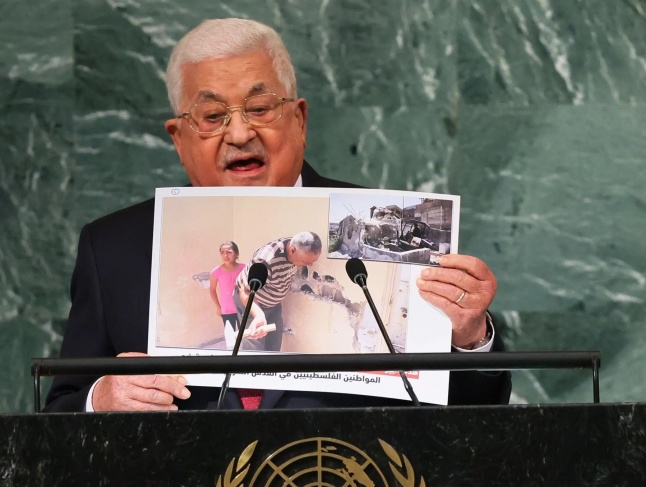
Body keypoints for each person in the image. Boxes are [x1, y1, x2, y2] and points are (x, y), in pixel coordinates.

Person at [44, 18, 511, 412]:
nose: (239, 133)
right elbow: (59, 415)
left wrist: (470, 338)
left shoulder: (371, 225)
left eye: (260, 108)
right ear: (178, 139)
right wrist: (101, 398)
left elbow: (478, 417)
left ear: (300, 120)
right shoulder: (112, 248)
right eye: (212, 116)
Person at [234, 232, 322, 352]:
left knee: (273, 347)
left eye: (312, 262)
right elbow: (244, 291)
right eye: (305, 262)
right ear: (292, 250)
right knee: (254, 349)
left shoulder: (297, 245)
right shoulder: (265, 261)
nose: (310, 265)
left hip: (273, 304)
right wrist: (259, 315)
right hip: (251, 303)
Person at [210, 241, 245, 333]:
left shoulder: (244, 268)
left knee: (245, 334)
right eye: (222, 252)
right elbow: (212, 290)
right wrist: (218, 307)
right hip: (227, 310)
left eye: (229, 252)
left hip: (243, 308)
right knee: (230, 335)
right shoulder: (216, 272)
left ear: (237, 254)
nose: (225, 255)